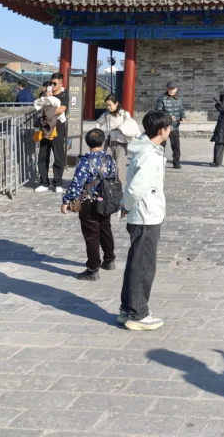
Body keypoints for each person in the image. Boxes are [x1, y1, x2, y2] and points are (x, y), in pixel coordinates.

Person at [119, 110, 171, 331]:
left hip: (142, 213)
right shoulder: (149, 155)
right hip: (146, 215)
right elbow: (136, 188)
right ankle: (138, 313)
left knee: (135, 262)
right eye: (169, 127)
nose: (170, 130)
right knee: (144, 265)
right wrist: (126, 205)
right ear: (161, 131)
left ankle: (127, 308)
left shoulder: (146, 148)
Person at [60, 128, 118, 280]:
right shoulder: (110, 159)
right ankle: (109, 260)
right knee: (105, 229)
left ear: (88, 142)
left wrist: (66, 200)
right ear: (102, 141)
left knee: (92, 235)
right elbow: (114, 178)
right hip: (106, 200)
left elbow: (77, 183)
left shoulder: (85, 161)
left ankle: (93, 269)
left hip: (89, 202)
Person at [34, 78, 67, 193]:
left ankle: (58, 183)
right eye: (51, 83)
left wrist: (47, 110)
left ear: (60, 84)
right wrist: (49, 107)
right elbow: (39, 106)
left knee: (58, 156)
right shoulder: (44, 95)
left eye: (55, 83)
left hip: (58, 129)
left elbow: (61, 110)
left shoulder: (64, 96)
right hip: (44, 128)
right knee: (43, 156)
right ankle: (44, 182)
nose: (52, 85)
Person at [94, 94, 140, 173]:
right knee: (106, 165)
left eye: (110, 105)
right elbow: (98, 123)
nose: (108, 107)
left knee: (119, 167)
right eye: (107, 105)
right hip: (109, 143)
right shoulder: (106, 115)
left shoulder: (124, 114)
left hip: (121, 143)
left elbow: (131, 125)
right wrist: (97, 132)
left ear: (116, 103)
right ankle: (107, 181)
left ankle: (119, 181)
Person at [155, 81, 186, 169]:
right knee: (161, 145)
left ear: (176, 89)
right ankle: (160, 162)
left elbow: (181, 109)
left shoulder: (179, 99)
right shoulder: (162, 98)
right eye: (170, 88)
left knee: (176, 145)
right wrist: (168, 117)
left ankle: (176, 162)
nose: (171, 90)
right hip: (164, 126)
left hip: (175, 126)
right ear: (167, 88)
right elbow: (158, 111)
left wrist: (183, 116)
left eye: (173, 89)